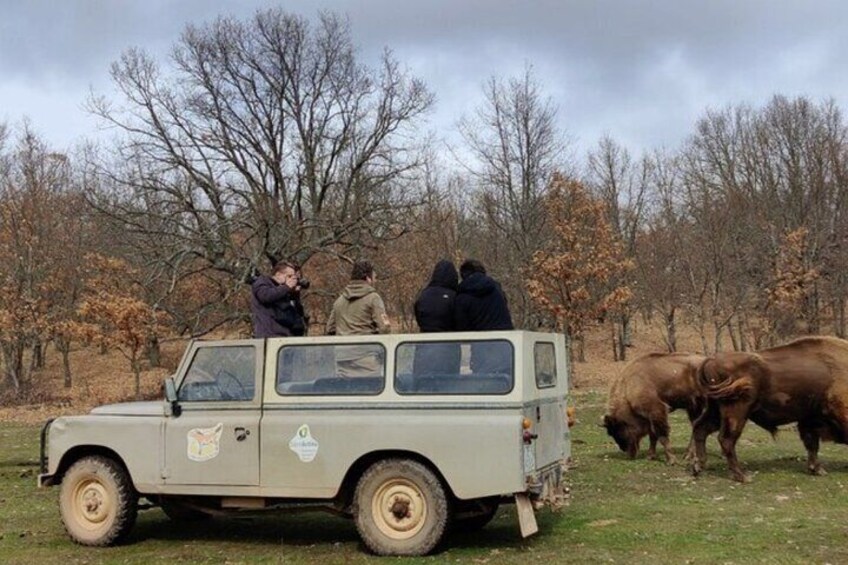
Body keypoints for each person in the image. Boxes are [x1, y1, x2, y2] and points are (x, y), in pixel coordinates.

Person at [326, 260, 390, 377]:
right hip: (367, 356)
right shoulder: (373, 298)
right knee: (371, 389)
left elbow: (330, 328)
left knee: (347, 392)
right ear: (368, 278)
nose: (375, 281)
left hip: (342, 358)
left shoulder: (339, 300)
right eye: (374, 277)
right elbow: (384, 328)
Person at [454, 259, 513, 375]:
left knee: (484, 383)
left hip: (482, 349)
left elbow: (461, 328)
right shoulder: (497, 289)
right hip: (507, 344)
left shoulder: (462, 297)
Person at [412, 260, 461, 376]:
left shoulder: (423, 295)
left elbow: (418, 317)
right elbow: (459, 322)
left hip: (424, 348)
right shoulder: (455, 297)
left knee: (423, 385)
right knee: (448, 387)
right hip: (448, 349)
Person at [250, 261, 307, 338]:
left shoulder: (283, 290)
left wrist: (294, 295)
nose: (292, 280)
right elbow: (266, 296)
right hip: (271, 335)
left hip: (288, 335)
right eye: (289, 276)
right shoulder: (263, 282)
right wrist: (286, 287)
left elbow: (298, 313)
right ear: (278, 274)